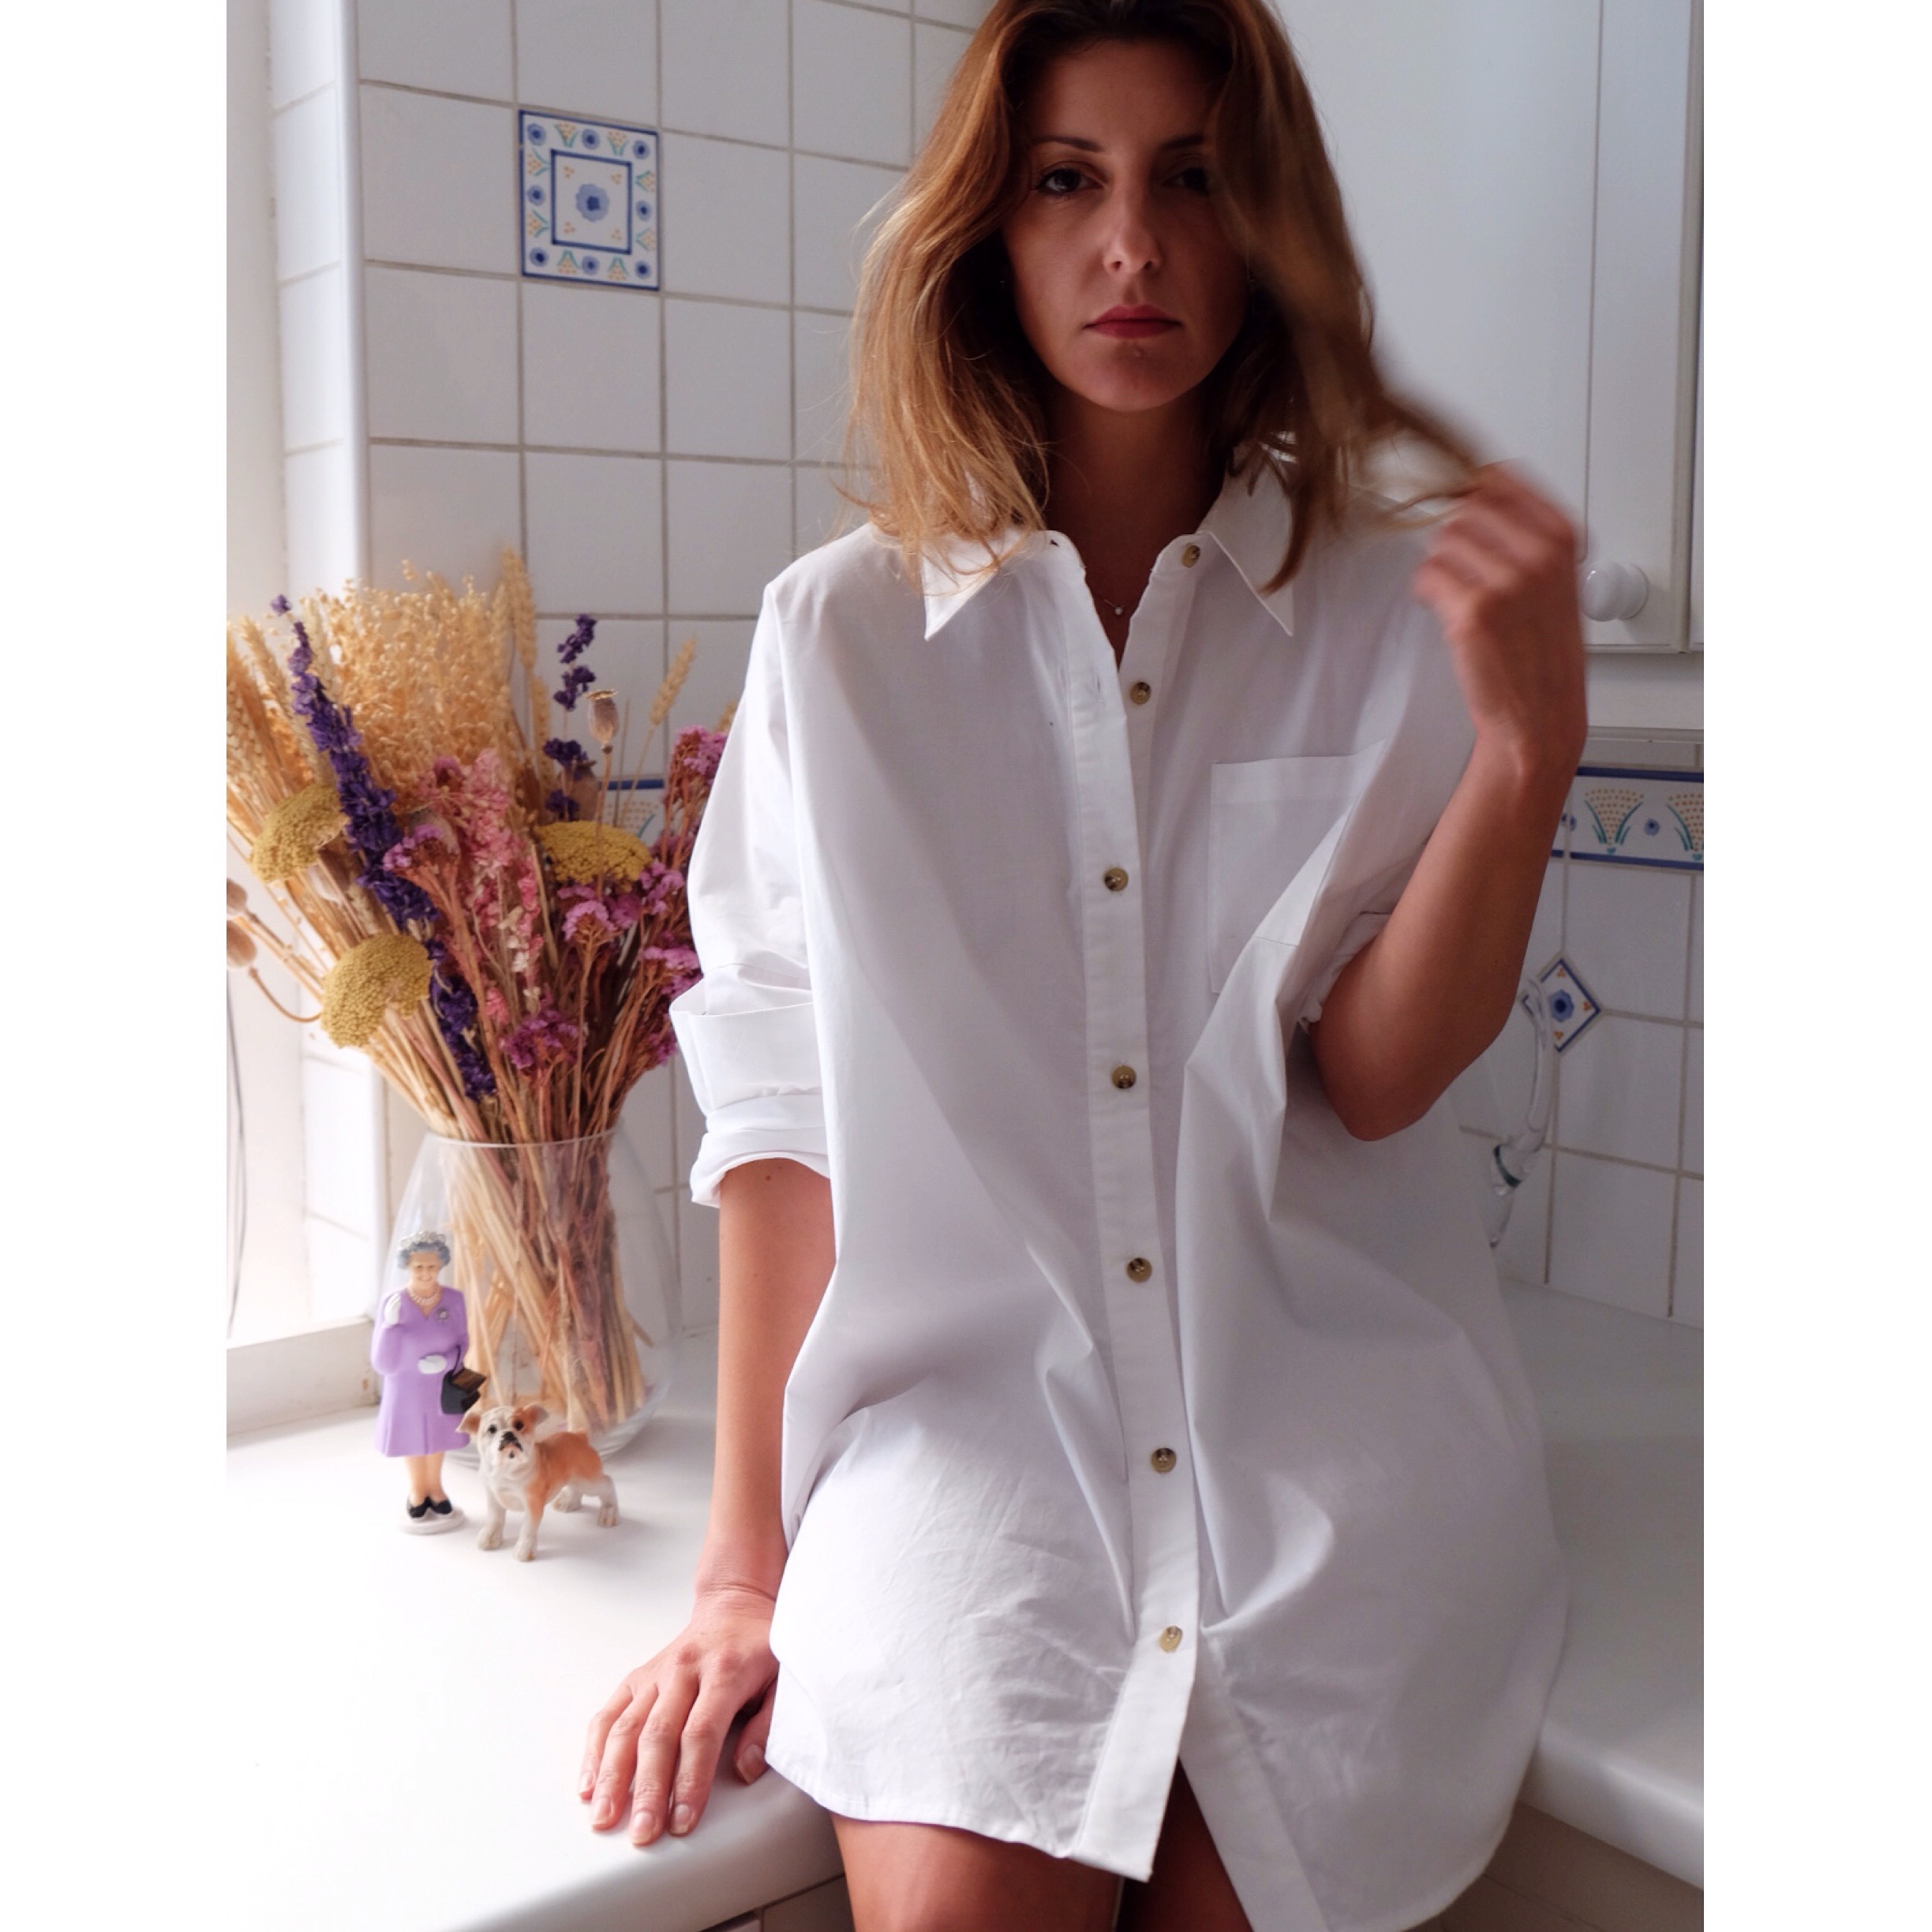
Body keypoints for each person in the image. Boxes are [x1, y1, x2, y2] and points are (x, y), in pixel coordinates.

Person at [582, 3, 1583, 1926]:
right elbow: (782, 1115)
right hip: (977, 1447)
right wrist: (737, 1568)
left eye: (1191, 178)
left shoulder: (1386, 609)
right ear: (989, 230)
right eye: (1066, 181)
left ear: (1266, 225)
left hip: (1324, 1430)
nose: (1133, 245)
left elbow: (1373, 1076)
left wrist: (1524, 753)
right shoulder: (838, 640)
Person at [371, 1233, 470, 1533]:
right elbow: (382, 1363)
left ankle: (435, 1488)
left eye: (431, 1267)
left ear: (440, 1265)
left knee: (439, 1436)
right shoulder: (394, 1302)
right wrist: (390, 1327)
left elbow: (465, 1341)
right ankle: (418, 1490)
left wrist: (448, 1361)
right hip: (405, 1386)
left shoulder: (454, 1300)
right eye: (418, 1267)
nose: (426, 1273)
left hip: (440, 1384)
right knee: (412, 1435)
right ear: (408, 1266)